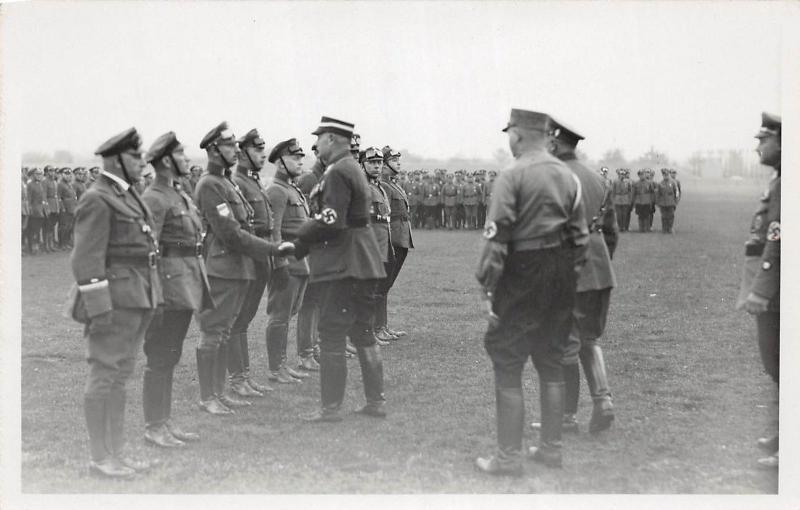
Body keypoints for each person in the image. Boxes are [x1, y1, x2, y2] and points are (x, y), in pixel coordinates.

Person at [474, 109, 588, 476]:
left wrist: (488, 284)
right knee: (552, 361)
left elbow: (497, 235)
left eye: (509, 134)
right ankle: (551, 449)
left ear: (519, 135)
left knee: (507, 361)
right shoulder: (567, 175)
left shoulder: (513, 174)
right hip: (561, 271)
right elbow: (581, 237)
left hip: (522, 269)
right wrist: (566, 275)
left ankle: (508, 458)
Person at [67, 127, 162, 478]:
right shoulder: (97, 197)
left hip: (135, 297)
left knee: (120, 377)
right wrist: (100, 310)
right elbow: (86, 260)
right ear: (116, 159)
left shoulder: (126, 194)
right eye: (135, 156)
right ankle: (99, 457)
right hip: (113, 303)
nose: (141, 161)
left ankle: (116, 453)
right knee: (104, 376)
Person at [193, 122, 293, 416]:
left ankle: (219, 393)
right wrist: (273, 249)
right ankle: (208, 396)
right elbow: (231, 233)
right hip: (222, 267)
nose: (235, 150)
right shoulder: (210, 184)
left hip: (237, 266)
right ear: (213, 150)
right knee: (214, 333)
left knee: (224, 332)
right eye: (228, 146)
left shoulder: (227, 183)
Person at [293, 116, 387, 422]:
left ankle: (330, 408)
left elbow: (331, 220)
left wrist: (302, 235)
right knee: (363, 331)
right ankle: (376, 401)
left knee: (331, 332)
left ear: (331, 139)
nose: (316, 144)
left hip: (345, 264)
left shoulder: (337, 171)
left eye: (319, 138)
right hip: (365, 261)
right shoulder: (353, 168)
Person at [534, 118, 617, 435]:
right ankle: (603, 400)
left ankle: (565, 417)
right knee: (589, 339)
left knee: (561, 345)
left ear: (554, 144)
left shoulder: (552, 176)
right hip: (599, 269)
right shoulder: (597, 178)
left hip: (567, 269)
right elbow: (611, 233)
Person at [140, 132, 210, 448]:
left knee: (170, 354)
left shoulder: (177, 194)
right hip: (166, 288)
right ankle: (154, 427)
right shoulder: (155, 198)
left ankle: (164, 423)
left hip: (184, 284)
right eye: (182, 154)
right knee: (160, 356)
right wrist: (153, 296)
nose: (187, 159)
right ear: (167, 160)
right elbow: (146, 250)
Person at [229, 128, 291, 394]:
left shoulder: (253, 181)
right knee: (237, 319)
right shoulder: (238, 183)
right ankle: (237, 378)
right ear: (242, 153)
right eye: (257, 149)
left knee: (244, 319)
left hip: (262, 254)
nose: (263, 154)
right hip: (250, 256)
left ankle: (244, 376)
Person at [736, 112, 780, 469]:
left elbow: (778, 240)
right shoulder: (781, 179)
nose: (757, 147)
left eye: (763, 140)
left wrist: (761, 290)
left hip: (779, 290)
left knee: (782, 364)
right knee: (777, 364)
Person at [264, 138, 317, 376]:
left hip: (300, 261)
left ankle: (283, 365)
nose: (300, 162)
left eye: (300, 158)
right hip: (287, 262)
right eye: (295, 158)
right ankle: (277, 368)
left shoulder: (292, 189)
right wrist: (279, 264)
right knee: (279, 317)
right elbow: (273, 231)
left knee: (289, 315)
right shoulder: (276, 190)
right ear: (281, 162)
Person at [360, 147, 394, 345]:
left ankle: (374, 329)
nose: (376, 166)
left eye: (379, 163)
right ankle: (367, 333)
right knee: (367, 292)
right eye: (372, 162)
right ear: (363, 164)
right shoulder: (364, 187)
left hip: (383, 244)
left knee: (376, 288)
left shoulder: (379, 187)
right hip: (370, 246)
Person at [379, 145, 412, 340]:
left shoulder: (392, 184)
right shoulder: (383, 185)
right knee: (383, 284)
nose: (398, 163)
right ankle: (378, 328)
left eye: (398, 160)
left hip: (401, 238)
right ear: (384, 165)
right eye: (393, 160)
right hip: (392, 238)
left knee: (386, 285)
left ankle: (383, 326)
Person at [26, 167, 47, 255]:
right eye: (37, 174)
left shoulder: (40, 184)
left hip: (41, 210)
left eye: (40, 174)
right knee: (33, 230)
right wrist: (30, 209)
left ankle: (37, 247)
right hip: (34, 210)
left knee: (38, 230)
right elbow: (29, 199)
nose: (39, 176)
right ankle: (32, 248)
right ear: (33, 175)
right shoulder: (30, 185)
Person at [57, 167, 78, 249]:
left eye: (70, 174)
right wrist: (62, 208)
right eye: (66, 174)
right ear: (62, 175)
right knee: (64, 227)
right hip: (65, 208)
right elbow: (59, 197)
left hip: (71, 208)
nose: (69, 176)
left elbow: (73, 196)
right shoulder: (60, 184)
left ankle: (66, 242)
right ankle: (62, 244)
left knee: (69, 226)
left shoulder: (69, 184)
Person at [655, 168, 679, 233]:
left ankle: (670, 228)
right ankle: (664, 228)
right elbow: (657, 194)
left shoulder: (673, 182)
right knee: (664, 216)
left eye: (667, 174)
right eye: (664, 175)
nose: (666, 176)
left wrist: (676, 201)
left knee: (671, 216)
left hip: (671, 202)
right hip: (663, 203)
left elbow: (676, 192)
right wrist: (657, 202)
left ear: (668, 174)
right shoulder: (660, 183)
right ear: (662, 175)